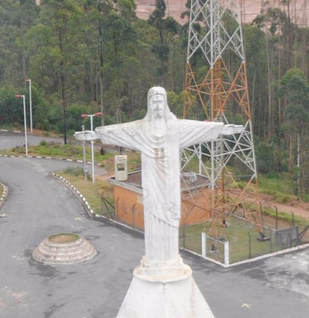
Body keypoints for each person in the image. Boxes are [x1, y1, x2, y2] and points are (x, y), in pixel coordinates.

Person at [77, 86, 241, 271]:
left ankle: (170, 259)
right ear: (149, 104)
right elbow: (121, 131)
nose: (156, 105)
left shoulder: (176, 127)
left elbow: (199, 128)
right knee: (153, 215)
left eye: (160, 101)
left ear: (165, 104)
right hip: (151, 181)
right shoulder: (142, 129)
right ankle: (155, 259)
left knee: (170, 216)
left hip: (170, 182)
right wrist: (96, 135)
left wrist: (222, 130)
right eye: (153, 101)